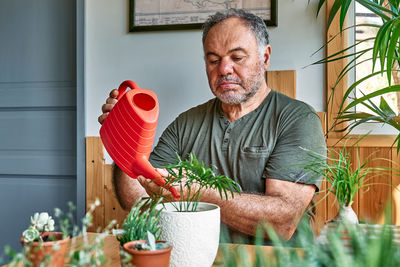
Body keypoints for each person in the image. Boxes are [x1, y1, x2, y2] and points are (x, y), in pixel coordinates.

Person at [98, 9, 326, 243]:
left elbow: (282, 223)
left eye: (237, 58)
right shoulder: (186, 124)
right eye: (213, 60)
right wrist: (125, 142)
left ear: (265, 58)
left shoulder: (298, 119)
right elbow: (136, 199)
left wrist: (195, 191)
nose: (224, 69)